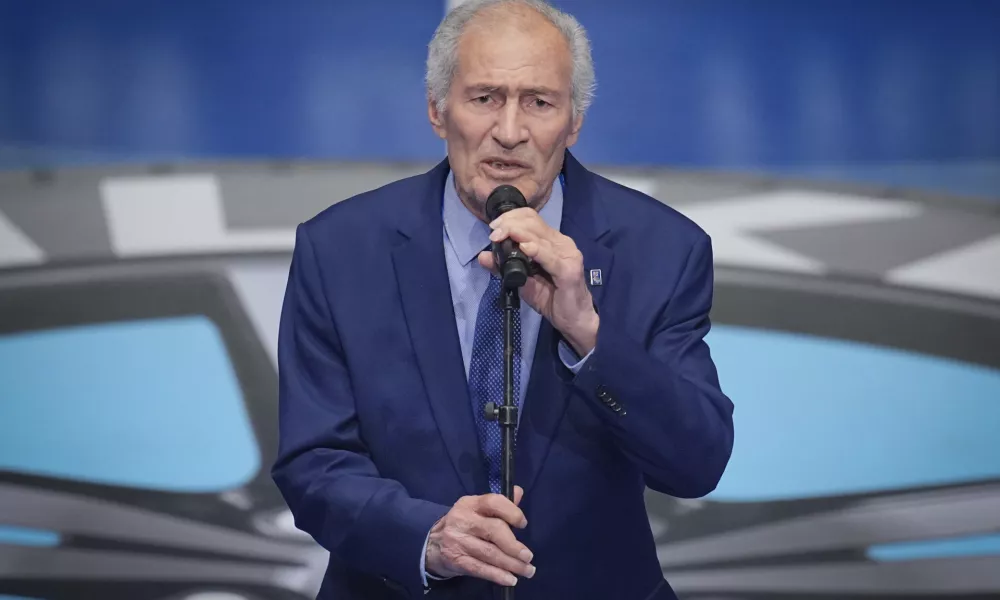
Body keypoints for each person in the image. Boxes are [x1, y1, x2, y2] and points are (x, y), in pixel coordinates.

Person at [272, 0, 734, 598]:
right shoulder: (339, 250)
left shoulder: (662, 250)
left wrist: (591, 337)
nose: (510, 132)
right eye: (485, 97)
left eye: (539, 102)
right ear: (438, 111)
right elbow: (313, 463)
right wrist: (425, 538)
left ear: (573, 122)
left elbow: (696, 463)